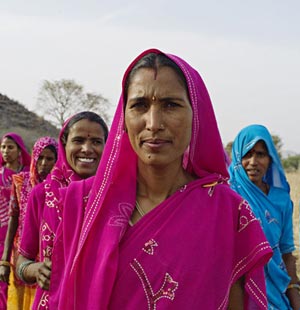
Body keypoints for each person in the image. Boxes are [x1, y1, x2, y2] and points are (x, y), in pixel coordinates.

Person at [56, 49, 273, 309]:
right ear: (123, 118)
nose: (153, 123)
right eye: (139, 105)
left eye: (171, 105)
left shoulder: (227, 212)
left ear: (196, 116)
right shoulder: (85, 203)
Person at [16, 111, 109, 309]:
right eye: (78, 140)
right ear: (64, 144)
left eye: (96, 142)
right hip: (51, 303)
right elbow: (22, 261)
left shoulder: (116, 195)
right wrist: (36, 270)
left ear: (107, 147)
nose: (87, 149)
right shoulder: (42, 194)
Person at [229, 124, 300, 309]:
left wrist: (295, 298)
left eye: (260, 154)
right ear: (237, 157)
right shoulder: (226, 197)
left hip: (276, 296)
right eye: (247, 154)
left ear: (270, 159)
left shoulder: (281, 200)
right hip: (236, 296)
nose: (253, 162)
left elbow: (286, 253)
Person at [0, 136, 58, 309]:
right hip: (21, 257)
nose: (43, 163)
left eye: (49, 159)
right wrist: (4, 260)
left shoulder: (63, 186)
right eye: (40, 157)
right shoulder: (20, 181)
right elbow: (13, 218)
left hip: (47, 260)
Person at [0, 133, 31, 309]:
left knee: (18, 278)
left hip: (20, 236)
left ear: (19, 150)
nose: (5, 151)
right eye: (3, 147)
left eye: (10, 147)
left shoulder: (27, 176)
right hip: (0, 235)